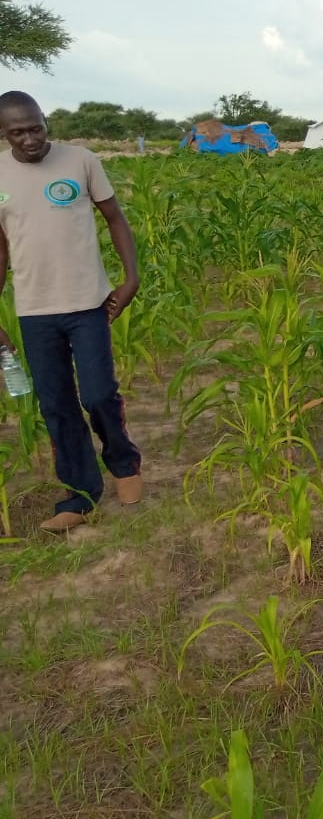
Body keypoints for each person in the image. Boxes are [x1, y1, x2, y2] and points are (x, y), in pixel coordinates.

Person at [0, 91, 143, 533]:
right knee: (57, 405)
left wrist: (130, 278)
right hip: (35, 309)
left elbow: (114, 218)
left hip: (88, 303)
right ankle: (80, 494)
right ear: (4, 134)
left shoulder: (81, 160)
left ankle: (124, 466)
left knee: (98, 394)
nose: (29, 139)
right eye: (17, 132)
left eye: (35, 127)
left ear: (47, 122)